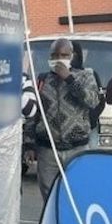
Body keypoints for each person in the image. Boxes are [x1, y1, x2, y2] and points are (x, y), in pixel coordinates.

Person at [27, 39, 100, 202]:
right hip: (48, 150)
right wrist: (29, 143)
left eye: (64, 55)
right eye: (55, 55)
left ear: (72, 56)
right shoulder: (42, 80)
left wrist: (69, 79)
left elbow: (93, 101)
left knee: (77, 194)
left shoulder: (85, 76)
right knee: (50, 196)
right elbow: (34, 112)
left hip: (77, 148)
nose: (59, 58)